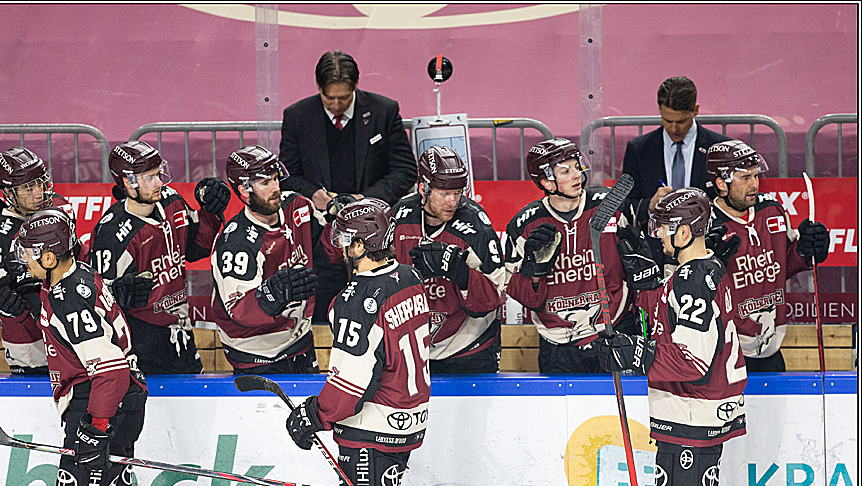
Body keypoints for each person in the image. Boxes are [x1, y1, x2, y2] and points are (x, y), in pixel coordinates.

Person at [13, 206, 220, 486]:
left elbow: (106, 369)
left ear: (51, 256)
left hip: (102, 402)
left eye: (31, 253)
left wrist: (95, 427)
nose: (25, 260)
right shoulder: (76, 278)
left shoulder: (70, 296)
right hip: (121, 400)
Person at [594, 188, 747, 486]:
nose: (657, 234)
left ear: (684, 231)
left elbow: (691, 359)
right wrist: (640, 308)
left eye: (663, 227)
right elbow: (672, 330)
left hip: (691, 410)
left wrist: (635, 353)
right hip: (706, 409)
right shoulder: (694, 273)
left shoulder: (692, 280)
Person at [285, 198, 431, 486]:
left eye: (346, 238)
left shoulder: (353, 300)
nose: (339, 245)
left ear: (364, 242)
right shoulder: (407, 278)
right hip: (408, 418)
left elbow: (350, 383)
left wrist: (314, 414)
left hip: (372, 423)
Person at [279, 50, 417, 323]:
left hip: (375, 239)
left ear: (356, 86)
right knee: (324, 315)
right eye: (329, 98)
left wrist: (364, 199)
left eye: (344, 97)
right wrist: (313, 195)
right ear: (319, 88)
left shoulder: (383, 111)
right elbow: (287, 175)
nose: (336, 105)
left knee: (376, 313)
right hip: (322, 238)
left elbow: (405, 170)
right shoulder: (298, 116)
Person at [503, 138, 656, 374]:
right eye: (565, 171)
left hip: (613, 332)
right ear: (545, 182)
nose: (576, 175)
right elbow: (526, 298)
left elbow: (638, 269)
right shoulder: (525, 226)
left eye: (576, 166)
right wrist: (533, 270)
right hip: (557, 347)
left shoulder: (609, 207)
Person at [87, 141, 229, 374]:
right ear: (128, 182)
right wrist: (116, 292)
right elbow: (97, 302)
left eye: (158, 174)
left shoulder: (171, 201)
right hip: (141, 339)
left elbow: (195, 249)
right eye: (150, 177)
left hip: (181, 331)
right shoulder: (111, 234)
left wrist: (211, 213)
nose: (160, 183)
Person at [705, 139, 830, 371]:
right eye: (745, 178)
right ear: (721, 183)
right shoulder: (707, 226)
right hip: (724, 355)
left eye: (755, 175)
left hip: (770, 349)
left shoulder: (771, 210)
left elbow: (784, 265)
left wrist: (805, 250)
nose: (754, 184)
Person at [390, 146, 505, 373]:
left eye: (457, 193)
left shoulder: (476, 225)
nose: (452, 202)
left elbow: (496, 294)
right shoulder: (400, 216)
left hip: (469, 348)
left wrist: (461, 274)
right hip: (413, 348)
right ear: (423, 188)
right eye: (444, 194)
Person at [210, 145, 320, 374]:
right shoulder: (236, 244)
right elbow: (238, 309)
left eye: (275, 179)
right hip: (256, 355)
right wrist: (273, 294)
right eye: (265, 183)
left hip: (300, 343)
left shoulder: (297, 206)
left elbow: (328, 247)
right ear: (244, 191)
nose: (276, 188)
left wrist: (342, 223)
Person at [622, 76, 728, 262]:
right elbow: (626, 205)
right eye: (667, 119)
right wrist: (649, 204)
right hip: (656, 253)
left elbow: (730, 203)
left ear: (695, 111)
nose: (674, 128)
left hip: (707, 251)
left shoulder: (719, 148)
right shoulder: (639, 150)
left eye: (681, 121)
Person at [0, 146, 66, 375]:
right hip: (31, 349)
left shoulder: (59, 207)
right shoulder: (2, 236)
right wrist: (6, 302)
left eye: (40, 183)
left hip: (70, 341)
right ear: (9, 193)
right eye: (28, 188)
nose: (38, 193)